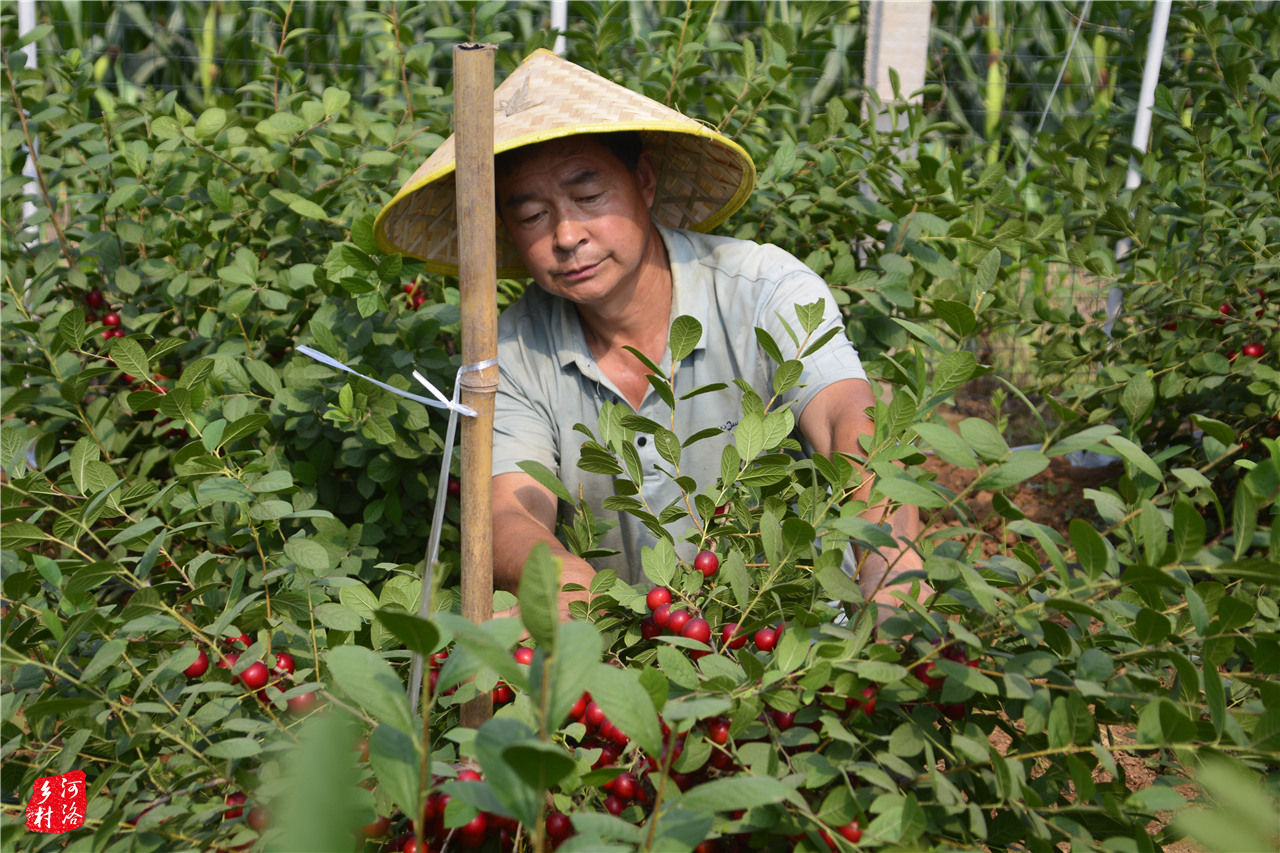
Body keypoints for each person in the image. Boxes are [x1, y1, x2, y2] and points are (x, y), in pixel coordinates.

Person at [375, 50, 924, 625]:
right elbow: (510, 509)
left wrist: (884, 558)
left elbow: (846, 415)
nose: (566, 234)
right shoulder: (512, 352)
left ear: (643, 180)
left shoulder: (762, 288)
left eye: (589, 198)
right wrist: (565, 584)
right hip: (623, 647)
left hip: (786, 645)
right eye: (533, 215)